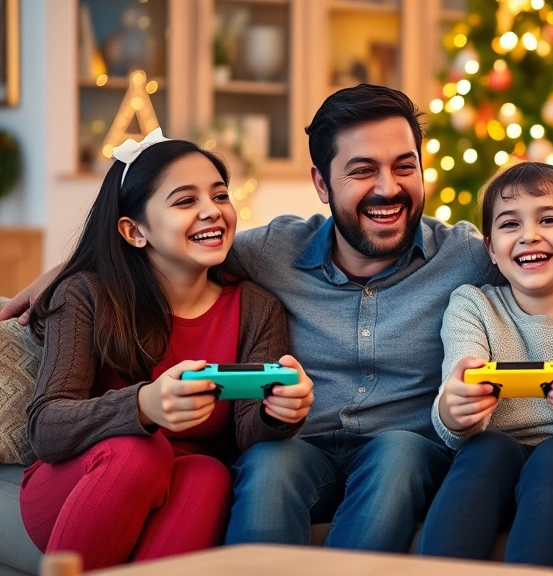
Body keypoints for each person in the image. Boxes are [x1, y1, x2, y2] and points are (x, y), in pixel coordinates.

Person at [4, 85, 501, 552]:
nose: (388, 188)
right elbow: (165, 251)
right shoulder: (271, 252)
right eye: (363, 170)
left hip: (401, 454)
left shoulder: (469, 256)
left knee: (396, 452)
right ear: (321, 184)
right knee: (266, 465)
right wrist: (64, 274)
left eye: (404, 166)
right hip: (295, 449)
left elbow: (552, 257)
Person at [18, 130, 314, 571]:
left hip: (184, 483)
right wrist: (143, 405)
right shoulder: (86, 295)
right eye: (184, 201)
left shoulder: (255, 306)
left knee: (211, 474)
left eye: (219, 195)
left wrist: (277, 412)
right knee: (143, 450)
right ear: (134, 231)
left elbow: (248, 434)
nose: (212, 211)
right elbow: (46, 425)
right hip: (80, 481)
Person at [417, 162, 553, 568]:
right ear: (491, 250)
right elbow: (454, 394)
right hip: (492, 459)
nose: (529, 235)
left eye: (548, 219)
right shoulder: (472, 305)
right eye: (510, 224)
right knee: (488, 449)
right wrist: (455, 409)